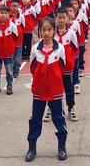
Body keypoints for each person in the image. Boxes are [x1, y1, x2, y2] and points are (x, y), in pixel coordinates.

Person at [25, 17, 68, 162]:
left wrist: (53, 79)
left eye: (49, 30)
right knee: (35, 119)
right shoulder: (35, 49)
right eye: (44, 30)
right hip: (39, 90)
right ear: (40, 31)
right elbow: (32, 67)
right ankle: (32, 147)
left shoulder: (60, 48)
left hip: (55, 90)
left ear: (54, 31)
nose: (47, 33)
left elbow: (62, 66)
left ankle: (62, 146)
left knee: (58, 118)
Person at [54, 7, 79, 122]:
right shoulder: (51, 33)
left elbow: (75, 49)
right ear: (56, 19)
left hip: (67, 67)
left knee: (69, 89)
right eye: (59, 18)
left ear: (68, 19)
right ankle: (52, 109)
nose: (61, 20)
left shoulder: (71, 34)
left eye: (64, 18)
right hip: (54, 66)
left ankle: (71, 108)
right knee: (53, 88)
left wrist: (70, 61)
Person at [0, 6, 18, 96]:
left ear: (8, 15)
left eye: (5, 13)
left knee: (9, 71)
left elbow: (15, 37)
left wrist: (11, 47)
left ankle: (9, 86)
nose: (3, 15)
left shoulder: (12, 26)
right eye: (1, 13)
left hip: (8, 52)